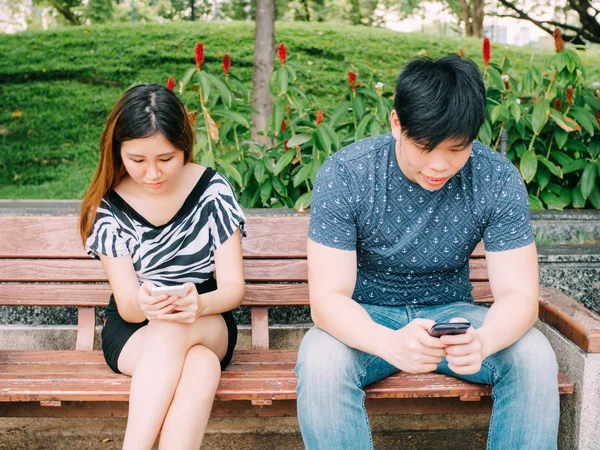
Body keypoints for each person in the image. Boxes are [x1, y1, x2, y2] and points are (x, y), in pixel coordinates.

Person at [295, 56, 559, 449]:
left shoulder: (496, 177)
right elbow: (327, 299)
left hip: (452, 317)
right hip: (367, 318)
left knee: (534, 356)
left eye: (457, 148)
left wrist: (483, 342)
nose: (439, 164)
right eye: (424, 146)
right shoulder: (348, 173)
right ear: (396, 123)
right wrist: (388, 342)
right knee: (320, 361)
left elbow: (519, 295)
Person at [79, 84, 246, 450]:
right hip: (135, 326)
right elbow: (127, 304)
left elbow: (233, 288)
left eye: (166, 159)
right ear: (117, 151)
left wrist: (197, 304)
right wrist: (149, 304)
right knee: (200, 366)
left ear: (184, 146)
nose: (152, 173)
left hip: (206, 316)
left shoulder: (212, 191)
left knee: (176, 330)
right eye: (137, 160)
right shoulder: (108, 206)